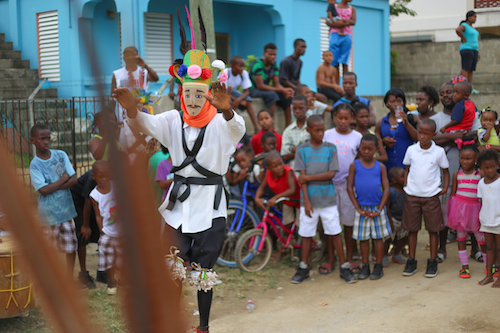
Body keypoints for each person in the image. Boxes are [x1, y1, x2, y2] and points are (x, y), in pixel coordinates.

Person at [113, 44, 245, 332]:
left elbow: (239, 131)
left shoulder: (222, 124)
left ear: (209, 94)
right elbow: (147, 124)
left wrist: (228, 111)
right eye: (189, 93)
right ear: (181, 94)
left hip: (210, 207)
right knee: (171, 266)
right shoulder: (173, 120)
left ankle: (204, 327)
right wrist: (132, 108)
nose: (194, 99)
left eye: (200, 93)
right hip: (178, 208)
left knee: (203, 272)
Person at [291, 115, 356, 284]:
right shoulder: (302, 150)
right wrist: (306, 201)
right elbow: (301, 180)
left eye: (322, 130)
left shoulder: (330, 148)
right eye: (316, 130)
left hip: (328, 199)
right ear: (308, 130)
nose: (320, 133)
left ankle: (344, 266)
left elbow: (331, 173)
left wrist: (308, 178)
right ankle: (304, 267)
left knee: (335, 232)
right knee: (306, 234)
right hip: (309, 202)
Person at [431, 81, 482, 260]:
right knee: (444, 210)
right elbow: (431, 139)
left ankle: (476, 249)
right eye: (442, 93)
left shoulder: (471, 112)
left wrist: (461, 135)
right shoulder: (437, 119)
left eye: (450, 92)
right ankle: (442, 248)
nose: (447, 96)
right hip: (447, 172)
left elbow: (478, 133)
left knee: (474, 208)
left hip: (471, 175)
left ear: (459, 94)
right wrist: (451, 137)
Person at [401, 119, 449, 278]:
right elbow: (407, 168)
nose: (422, 136)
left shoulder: (439, 152)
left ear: (433, 135)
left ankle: (432, 261)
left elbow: (445, 171)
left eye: (426, 134)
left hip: (431, 196)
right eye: (420, 132)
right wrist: (406, 184)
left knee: (433, 229)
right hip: (412, 195)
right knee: (412, 229)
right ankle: (411, 260)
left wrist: (445, 188)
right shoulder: (411, 150)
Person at [29, 123, 78, 274]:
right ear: (33, 140)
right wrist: (63, 180)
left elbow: (74, 178)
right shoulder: (35, 165)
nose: (46, 142)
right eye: (42, 139)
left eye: (48, 138)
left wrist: (56, 185)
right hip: (48, 215)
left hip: (65, 211)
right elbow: (43, 190)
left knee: (71, 247)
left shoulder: (60, 155)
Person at [347, 134, 391, 280]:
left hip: (377, 209)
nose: (366, 151)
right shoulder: (355, 165)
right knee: (363, 239)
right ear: (359, 148)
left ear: (376, 149)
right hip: (362, 209)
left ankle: (378, 266)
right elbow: (349, 187)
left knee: (378, 239)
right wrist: (358, 208)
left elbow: (386, 189)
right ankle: (365, 266)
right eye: (363, 148)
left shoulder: (381, 167)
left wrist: (379, 209)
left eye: (369, 149)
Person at [323, 103, 362, 265]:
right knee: (331, 223)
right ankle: (331, 257)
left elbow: (360, 160)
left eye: (346, 118)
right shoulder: (327, 135)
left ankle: (350, 255)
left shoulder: (357, 137)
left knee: (348, 222)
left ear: (352, 119)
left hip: (348, 185)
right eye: (340, 118)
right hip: (330, 184)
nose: (343, 121)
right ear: (334, 119)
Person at [446, 141, 486, 279]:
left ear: (475, 160)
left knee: (481, 239)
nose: (465, 161)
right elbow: (453, 195)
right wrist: (452, 213)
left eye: (468, 158)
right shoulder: (457, 174)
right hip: (460, 212)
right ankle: (464, 267)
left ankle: (489, 265)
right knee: (461, 238)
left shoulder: (480, 175)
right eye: (462, 158)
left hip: (475, 212)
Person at [111, 46, 159, 157]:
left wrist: (144, 64)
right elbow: (112, 94)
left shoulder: (143, 72)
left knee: (145, 149)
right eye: (126, 55)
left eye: (132, 54)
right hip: (124, 118)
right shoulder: (117, 74)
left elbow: (156, 78)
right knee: (127, 152)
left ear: (137, 56)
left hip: (142, 115)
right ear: (123, 57)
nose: (129, 57)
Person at [89, 161, 120, 295]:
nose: (104, 179)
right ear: (94, 176)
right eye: (101, 176)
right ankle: (111, 282)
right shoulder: (94, 195)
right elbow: (97, 214)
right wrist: (101, 230)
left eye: (107, 176)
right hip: (107, 232)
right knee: (109, 259)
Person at [250, 43, 294, 126]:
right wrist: (282, 90)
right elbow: (260, 86)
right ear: (264, 54)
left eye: (274, 54)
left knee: (286, 96)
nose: (273, 57)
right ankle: (270, 125)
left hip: (265, 89)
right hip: (253, 90)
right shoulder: (258, 65)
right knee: (272, 95)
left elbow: (277, 84)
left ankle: (288, 126)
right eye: (270, 54)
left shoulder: (274, 65)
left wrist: (285, 91)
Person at [255, 151, 300, 231]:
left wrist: (275, 198)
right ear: (269, 168)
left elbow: (292, 190)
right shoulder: (268, 174)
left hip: (299, 200)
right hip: (286, 201)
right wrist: (257, 198)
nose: (280, 167)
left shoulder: (288, 171)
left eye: (280, 164)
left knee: (300, 225)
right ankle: (286, 241)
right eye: (275, 166)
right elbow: (262, 187)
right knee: (287, 223)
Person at [70, 170, 101, 289]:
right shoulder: (94, 177)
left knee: (101, 232)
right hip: (79, 201)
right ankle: (83, 274)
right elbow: (87, 201)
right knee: (83, 234)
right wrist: (85, 225)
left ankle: (103, 272)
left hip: (94, 201)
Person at [376, 88, 417, 172]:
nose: (396, 104)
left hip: (408, 166)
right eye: (392, 101)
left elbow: (418, 138)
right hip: (389, 167)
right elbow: (377, 142)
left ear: (403, 103)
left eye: (399, 101)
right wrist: (384, 142)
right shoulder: (382, 122)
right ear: (387, 104)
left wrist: (407, 124)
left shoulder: (412, 118)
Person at [476, 149, 500, 287]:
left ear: (497, 165)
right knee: (490, 248)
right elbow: (482, 202)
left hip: (499, 221)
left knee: (499, 249)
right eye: (486, 168)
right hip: (486, 220)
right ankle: (489, 275)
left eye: (492, 167)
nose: (490, 170)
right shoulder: (481, 183)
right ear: (481, 169)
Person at [223, 56, 259, 132]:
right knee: (229, 104)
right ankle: (228, 125)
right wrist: (236, 100)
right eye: (240, 66)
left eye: (243, 66)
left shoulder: (243, 73)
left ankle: (256, 127)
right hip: (224, 93)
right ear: (232, 66)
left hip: (234, 93)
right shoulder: (226, 72)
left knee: (248, 101)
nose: (242, 68)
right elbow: (223, 90)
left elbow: (247, 91)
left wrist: (238, 100)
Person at [326, 0, 356, 83]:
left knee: (344, 62)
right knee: (334, 62)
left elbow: (353, 21)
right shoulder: (333, 6)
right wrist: (339, 24)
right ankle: (337, 86)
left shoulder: (352, 8)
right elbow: (328, 21)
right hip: (334, 35)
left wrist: (344, 22)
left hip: (346, 35)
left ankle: (346, 85)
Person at [386, 167, 408, 265]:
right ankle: (383, 256)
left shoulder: (406, 190)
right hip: (393, 219)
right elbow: (386, 208)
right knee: (388, 239)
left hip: (403, 219)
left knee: (401, 238)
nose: (405, 178)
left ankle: (397, 254)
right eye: (402, 177)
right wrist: (389, 221)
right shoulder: (391, 192)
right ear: (394, 180)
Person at [282, 95, 310, 169]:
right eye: (294, 108)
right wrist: (303, 149)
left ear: (307, 108)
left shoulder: (313, 127)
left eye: (301, 108)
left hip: (311, 170)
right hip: (294, 171)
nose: (297, 111)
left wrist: (295, 150)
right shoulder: (288, 131)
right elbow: (285, 156)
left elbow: (316, 151)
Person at [456, 10, 479, 88]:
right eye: (474, 17)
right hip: (467, 49)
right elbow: (458, 30)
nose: (475, 19)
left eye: (476, 17)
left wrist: (477, 53)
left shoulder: (472, 28)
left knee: (471, 70)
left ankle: (469, 88)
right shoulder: (464, 25)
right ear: (469, 17)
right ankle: (462, 86)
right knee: (465, 69)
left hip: (474, 50)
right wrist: (463, 38)